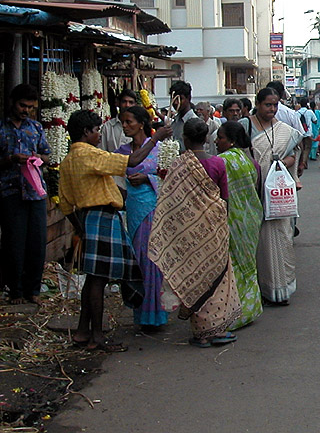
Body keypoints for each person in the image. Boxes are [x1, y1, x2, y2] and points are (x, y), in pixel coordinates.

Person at [58, 109, 169, 351]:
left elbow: (65, 203)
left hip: (87, 219)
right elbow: (132, 161)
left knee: (92, 279)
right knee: (98, 280)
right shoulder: (91, 155)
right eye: (96, 130)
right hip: (103, 217)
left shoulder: (67, 161)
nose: (99, 134)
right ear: (86, 132)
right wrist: (156, 137)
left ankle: (82, 331)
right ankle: (97, 336)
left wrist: (80, 227)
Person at [165, 118, 240, 347]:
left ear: (185, 139)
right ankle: (216, 329)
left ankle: (201, 332)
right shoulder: (218, 164)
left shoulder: (178, 165)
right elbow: (224, 198)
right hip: (213, 227)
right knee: (216, 278)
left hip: (188, 230)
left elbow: (171, 201)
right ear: (207, 138)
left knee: (194, 276)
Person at [242, 87, 303, 305]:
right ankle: (263, 289)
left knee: (284, 237)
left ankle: (283, 288)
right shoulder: (245, 126)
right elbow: (239, 157)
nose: (272, 109)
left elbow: (293, 157)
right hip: (255, 193)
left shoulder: (284, 129)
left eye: (275, 104)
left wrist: (283, 163)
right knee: (259, 244)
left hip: (279, 195)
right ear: (257, 104)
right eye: (268, 105)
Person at [116, 105, 169, 330]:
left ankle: (155, 315)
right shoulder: (122, 151)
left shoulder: (160, 149)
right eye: (123, 123)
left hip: (154, 208)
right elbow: (116, 182)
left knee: (153, 261)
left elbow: (169, 177)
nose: (126, 126)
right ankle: (141, 313)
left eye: (129, 122)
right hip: (134, 210)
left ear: (141, 123)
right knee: (138, 261)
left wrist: (148, 179)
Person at [0, 84, 51, 304]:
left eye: (30, 107)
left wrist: (34, 158)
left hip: (35, 193)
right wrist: (12, 160)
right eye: (23, 106)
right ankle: (16, 290)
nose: (26, 110)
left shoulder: (36, 128)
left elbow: (48, 156)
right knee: (14, 242)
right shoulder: (2, 128)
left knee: (37, 242)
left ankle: (34, 289)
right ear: (12, 102)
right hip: (10, 192)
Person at [214, 121, 263, 330]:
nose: (216, 141)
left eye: (220, 138)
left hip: (232, 220)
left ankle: (234, 313)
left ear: (231, 140)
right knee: (248, 266)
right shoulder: (248, 159)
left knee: (232, 268)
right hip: (250, 218)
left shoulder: (221, 162)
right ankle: (249, 309)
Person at [266, 81, 309, 177]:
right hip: (286, 162)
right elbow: (299, 140)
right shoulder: (290, 113)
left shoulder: (255, 114)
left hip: (285, 161)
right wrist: (301, 162)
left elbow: (298, 138)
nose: (272, 109)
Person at [99, 89, 137, 163]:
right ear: (118, 103)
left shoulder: (139, 126)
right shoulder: (108, 127)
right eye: (124, 101)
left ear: (135, 105)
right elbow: (101, 153)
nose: (127, 105)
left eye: (131, 102)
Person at [168, 80, 197, 150]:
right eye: (173, 99)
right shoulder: (174, 122)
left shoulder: (195, 122)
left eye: (180, 99)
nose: (175, 103)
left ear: (189, 98)